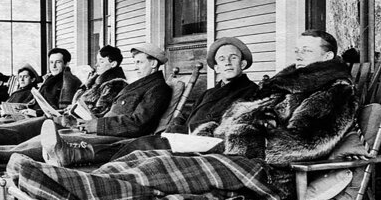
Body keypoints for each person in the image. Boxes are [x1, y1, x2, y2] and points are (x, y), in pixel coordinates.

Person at [5, 30, 359, 200]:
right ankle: (64, 178)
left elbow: (302, 144)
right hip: (233, 154)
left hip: (264, 172)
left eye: (306, 51)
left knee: (158, 172)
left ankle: (60, 185)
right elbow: (241, 121)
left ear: (327, 56)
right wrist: (217, 135)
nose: (297, 55)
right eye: (296, 49)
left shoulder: (332, 90)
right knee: (145, 158)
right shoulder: (289, 85)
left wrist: (231, 138)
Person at [0, 43, 171, 169]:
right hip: (97, 128)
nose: (137, 66)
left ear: (154, 64)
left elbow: (138, 124)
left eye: (141, 62)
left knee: (43, 145)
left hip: (115, 137)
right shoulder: (139, 84)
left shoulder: (156, 88)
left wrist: (93, 125)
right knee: (31, 140)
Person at [42, 37, 258, 166]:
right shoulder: (210, 92)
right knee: (134, 146)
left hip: (208, 145)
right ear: (216, 68)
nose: (227, 63)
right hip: (186, 137)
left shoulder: (250, 92)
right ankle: (74, 155)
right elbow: (186, 115)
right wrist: (175, 127)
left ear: (244, 63)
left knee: (140, 145)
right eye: (222, 59)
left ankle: (78, 158)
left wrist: (183, 133)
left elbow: (233, 127)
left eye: (233, 58)